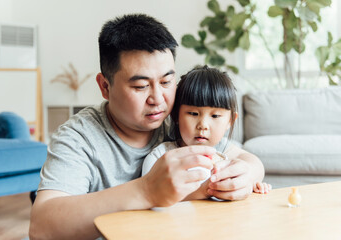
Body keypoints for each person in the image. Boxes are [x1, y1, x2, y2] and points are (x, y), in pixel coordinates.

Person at [29, 14, 265, 240]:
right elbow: (41, 228)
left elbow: (247, 159)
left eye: (166, 82)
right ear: (105, 87)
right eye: (141, 86)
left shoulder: (183, 122)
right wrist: (146, 191)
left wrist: (245, 175)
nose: (158, 99)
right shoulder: (79, 137)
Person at [142, 66, 271, 199]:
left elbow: (253, 164)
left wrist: (249, 181)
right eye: (193, 113)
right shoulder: (161, 157)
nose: (203, 125)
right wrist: (206, 190)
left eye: (215, 116)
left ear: (230, 121)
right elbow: (150, 197)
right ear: (176, 116)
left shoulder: (223, 154)